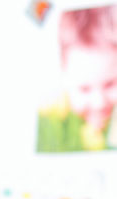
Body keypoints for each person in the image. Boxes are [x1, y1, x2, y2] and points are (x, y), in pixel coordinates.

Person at [37, 5, 117, 152]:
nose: (99, 102)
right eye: (84, 89)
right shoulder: (52, 120)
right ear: (64, 75)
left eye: (110, 84)